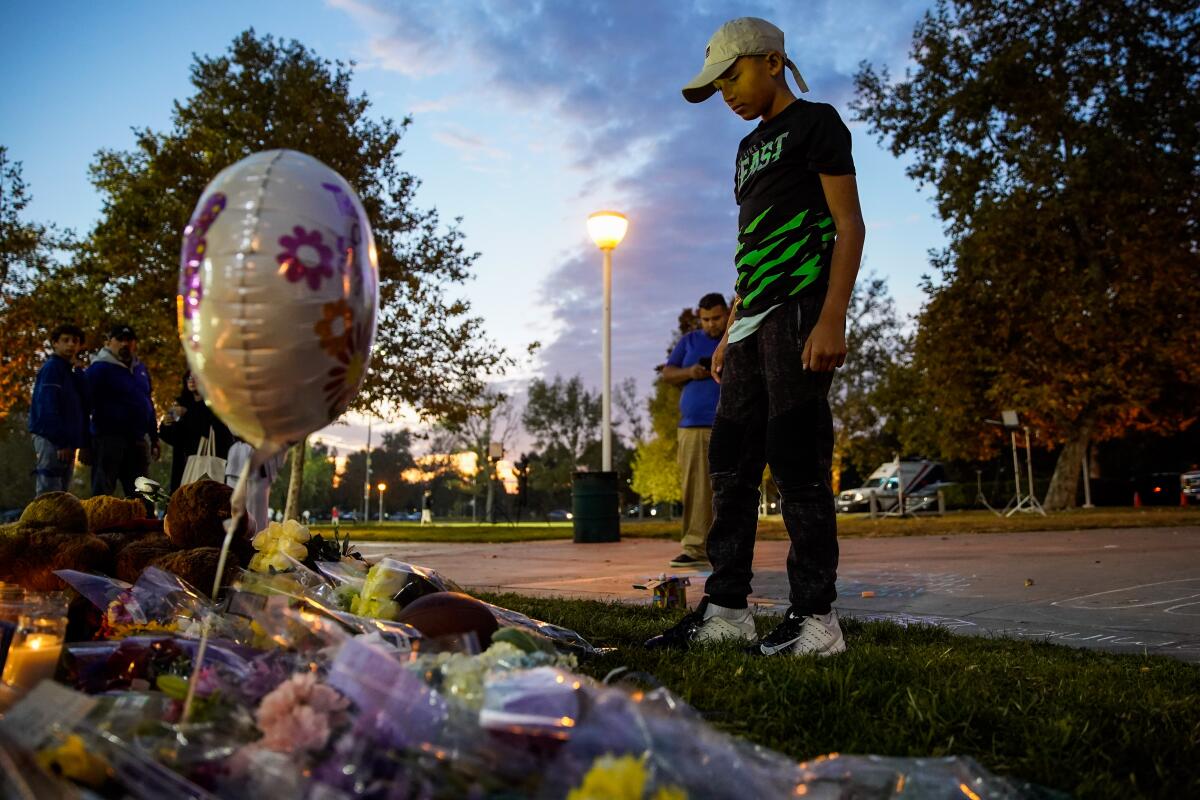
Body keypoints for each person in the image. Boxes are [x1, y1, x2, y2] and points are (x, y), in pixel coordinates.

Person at [647, 18, 865, 657]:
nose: (727, 96)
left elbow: (848, 226)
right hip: (749, 321)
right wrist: (729, 328)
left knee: (797, 462)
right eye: (717, 88)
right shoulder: (746, 151)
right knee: (732, 466)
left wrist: (833, 317)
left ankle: (817, 621)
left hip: (800, 311)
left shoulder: (818, 123)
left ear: (771, 61)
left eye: (732, 77)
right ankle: (726, 610)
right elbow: (753, 248)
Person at [661, 293, 730, 569]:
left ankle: (726, 548)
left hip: (728, 422)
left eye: (716, 318)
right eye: (705, 319)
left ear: (726, 313)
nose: (711, 325)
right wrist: (691, 371)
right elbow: (668, 373)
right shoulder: (689, 341)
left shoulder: (736, 336)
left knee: (728, 489)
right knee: (695, 489)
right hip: (692, 427)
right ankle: (694, 547)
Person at [86, 324, 159, 499]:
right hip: (108, 440)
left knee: (144, 494)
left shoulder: (141, 370)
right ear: (109, 342)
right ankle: (98, 525)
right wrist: (84, 442)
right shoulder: (98, 369)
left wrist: (154, 437)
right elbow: (85, 405)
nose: (125, 344)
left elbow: (147, 402)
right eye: (120, 339)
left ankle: (147, 523)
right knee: (102, 493)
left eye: (129, 340)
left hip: (137, 440)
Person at [28, 324, 90, 495]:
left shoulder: (71, 372)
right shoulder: (52, 369)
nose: (71, 344)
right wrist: (60, 442)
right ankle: (43, 522)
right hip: (52, 440)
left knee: (62, 492)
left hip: (68, 442)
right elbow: (47, 407)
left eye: (75, 341)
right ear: (55, 343)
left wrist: (78, 370)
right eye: (65, 340)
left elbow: (84, 404)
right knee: (49, 492)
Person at [158, 370, 234, 492]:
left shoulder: (215, 406)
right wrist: (166, 424)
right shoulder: (182, 404)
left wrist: (187, 414)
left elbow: (218, 433)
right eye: (188, 377)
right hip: (184, 465)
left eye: (196, 377)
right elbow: (174, 438)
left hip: (210, 462)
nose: (191, 380)